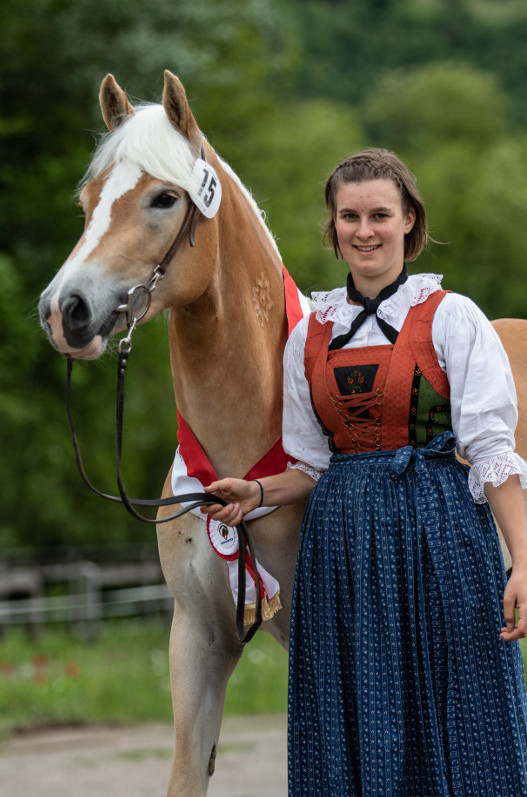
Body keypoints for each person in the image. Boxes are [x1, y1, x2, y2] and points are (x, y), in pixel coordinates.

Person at [204, 148, 527, 795]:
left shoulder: (450, 317)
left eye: (380, 213)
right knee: (356, 718)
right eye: (348, 215)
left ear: (408, 220)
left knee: (459, 709)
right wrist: (258, 490)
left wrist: (522, 558)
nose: (364, 229)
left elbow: (492, 448)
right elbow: (313, 465)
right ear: (333, 228)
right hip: (342, 551)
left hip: (438, 537)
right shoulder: (311, 335)